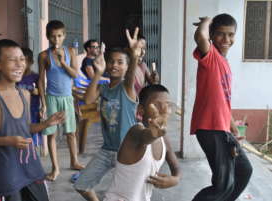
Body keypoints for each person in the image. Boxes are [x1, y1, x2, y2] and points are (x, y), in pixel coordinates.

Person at [0, 39, 65, 201]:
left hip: (32, 166)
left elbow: (25, 128)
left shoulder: (24, 94)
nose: (19, 64)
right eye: (12, 60)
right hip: (7, 171)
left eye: (22, 59)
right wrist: (8, 141)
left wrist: (46, 124)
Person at [74, 27, 141, 201]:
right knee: (81, 184)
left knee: (127, 195)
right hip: (107, 150)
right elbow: (88, 100)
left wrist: (133, 55)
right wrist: (97, 72)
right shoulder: (104, 88)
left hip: (126, 151)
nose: (114, 65)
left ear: (127, 67)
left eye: (120, 62)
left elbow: (132, 73)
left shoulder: (126, 87)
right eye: (111, 61)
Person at [191, 14, 252, 201]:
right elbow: (200, 37)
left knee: (243, 171)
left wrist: (232, 127)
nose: (226, 40)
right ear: (211, 35)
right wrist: (207, 22)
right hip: (209, 128)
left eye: (231, 35)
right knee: (223, 184)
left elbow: (223, 101)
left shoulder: (224, 62)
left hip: (222, 128)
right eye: (220, 34)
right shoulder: (210, 57)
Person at [104, 84, 180, 201]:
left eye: (167, 105)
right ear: (141, 110)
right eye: (156, 105)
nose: (164, 110)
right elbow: (145, 137)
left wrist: (175, 179)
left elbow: (176, 167)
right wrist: (154, 133)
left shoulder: (164, 138)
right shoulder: (135, 131)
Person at [38, 20, 84, 181]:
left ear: (64, 36)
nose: (56, 40)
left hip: (67, 98)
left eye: (59, 36)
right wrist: (43, 103)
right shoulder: (43, 56)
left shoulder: (71, 51)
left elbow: (75, 75)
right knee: (51, 134)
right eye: (52, 37)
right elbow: (40, 80)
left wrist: (63, 62)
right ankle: (55, 168)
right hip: (51, 98)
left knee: (71, 132)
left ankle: (74, 161)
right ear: (47, 37)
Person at [17, 47, 48, 156]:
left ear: (31, 62)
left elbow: (42, 92)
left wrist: (38, 93)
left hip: (33, 109)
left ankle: (35, 151)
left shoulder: (35, 77)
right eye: (19, 60)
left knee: (34, 131)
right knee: (22, 131)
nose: (22, 64)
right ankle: (23, 153)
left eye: (25, 61)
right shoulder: (16, 78)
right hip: (19, 110)